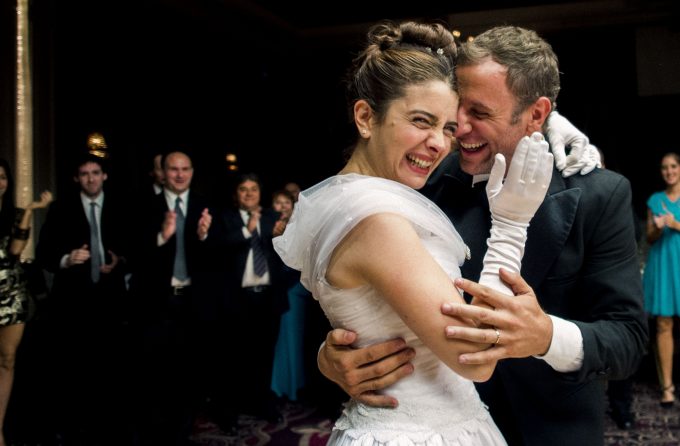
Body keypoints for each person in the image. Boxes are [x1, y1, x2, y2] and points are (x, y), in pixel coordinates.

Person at [317, 25, 648, 446]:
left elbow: (628, 339)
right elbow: (355, 284)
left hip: (553, 431)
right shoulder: (424, 177)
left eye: (480, 112)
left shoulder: (600, 194)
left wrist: (547, 336)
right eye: (459, 106)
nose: (458, 127)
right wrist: (328, 356)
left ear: (537, 114)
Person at [274, 20, 555, 444]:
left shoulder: (356, 199)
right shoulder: (375, 220)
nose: (440, 143)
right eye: (421, 121)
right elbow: (475, 358)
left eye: (447, 128)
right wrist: (511, 226)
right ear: (365, 117)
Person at [36, 153, 131, 443]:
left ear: (104, 176)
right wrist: (67, 259)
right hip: (73, 302)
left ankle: (108, 428)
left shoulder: (121, 206)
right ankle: (75, 429)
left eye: (96, 172)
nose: (91, 179)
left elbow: (136, 247)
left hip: (110, 299)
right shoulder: (61, 209)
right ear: (77, 178)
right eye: (85, 174)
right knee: (74, 368)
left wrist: (119, 260)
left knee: (110, 367)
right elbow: (43, 253)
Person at [130, 150, 212, 445]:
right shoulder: (144, 205)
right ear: (162, 173)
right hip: (156, 302)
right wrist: (161, 237)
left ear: (192, 172)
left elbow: (220, 258)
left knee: (187, 372)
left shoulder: (204, 206)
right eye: (173, 169)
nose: (179, 174)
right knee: (154, 372)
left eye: (185, 169)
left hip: (192, 302)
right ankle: (155, 434)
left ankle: (182, 433)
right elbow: (131, 252)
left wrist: (204, 236)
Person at [209, 173, 288, 428]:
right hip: (236, 301)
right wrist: (248, 229)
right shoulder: (224, 218)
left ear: (260, 193)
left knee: (263, 356)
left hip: (268, 299)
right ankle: (229, 412)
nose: (249, 193)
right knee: (233, 359)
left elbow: (288, 256)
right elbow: (216, 248)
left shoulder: (273, 217)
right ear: (236, 194)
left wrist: (280, 238)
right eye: (243, 189)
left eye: (254, 188)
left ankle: (261, 403)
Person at [0, 159, 51, 446]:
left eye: (2, 177)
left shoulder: (16, 214)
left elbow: (15, 250)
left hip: (10, 294)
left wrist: (30, 210)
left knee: (7, 360)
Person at [642, 152, 680, 407]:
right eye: (665, 167)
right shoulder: (655, 200)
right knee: (664, 324)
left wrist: (674, 223)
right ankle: (667, 386)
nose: (669, 171)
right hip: (664, 264)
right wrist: (657, 227)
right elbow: (649, 237)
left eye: (673, 166)